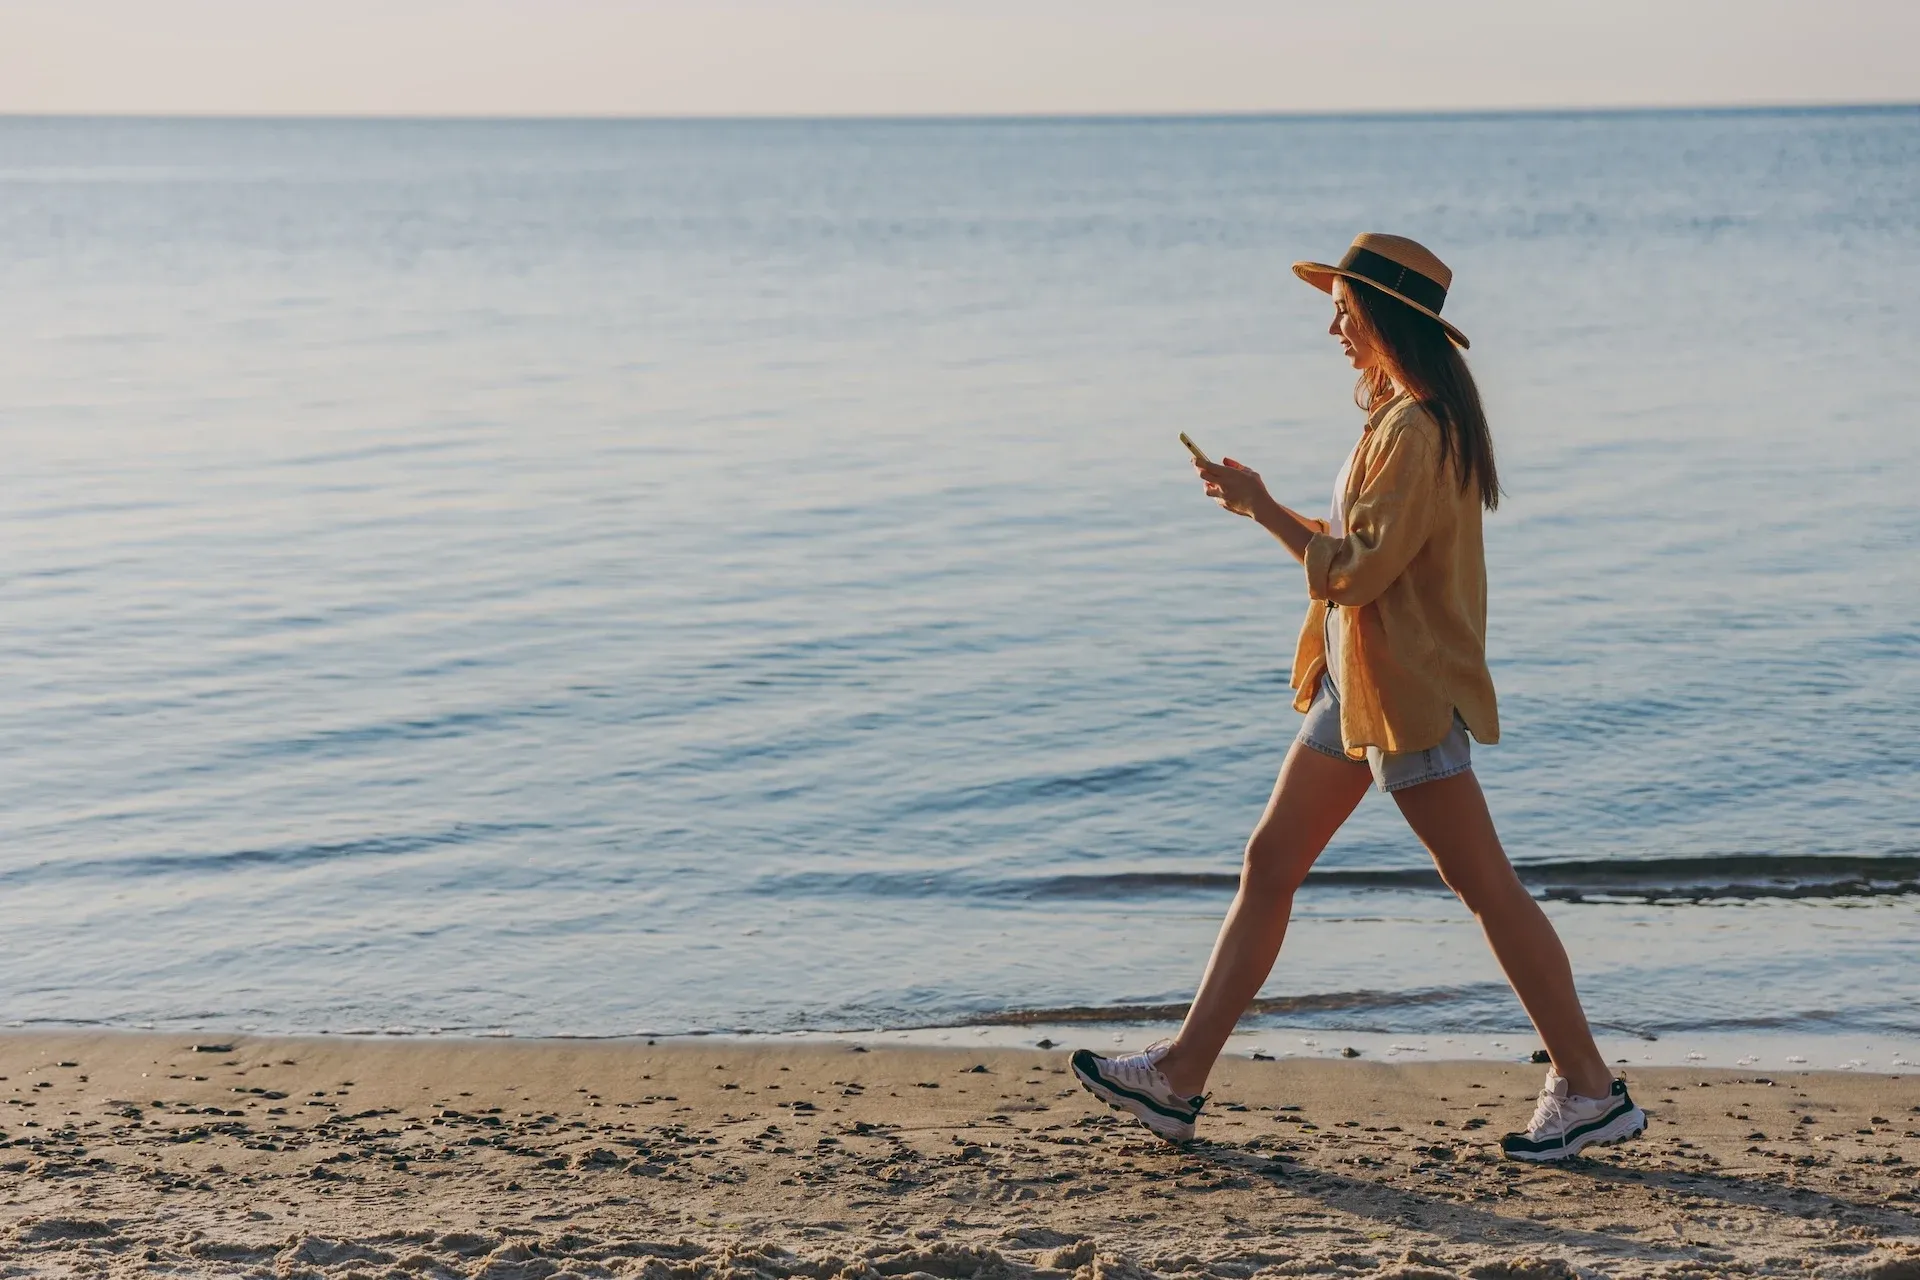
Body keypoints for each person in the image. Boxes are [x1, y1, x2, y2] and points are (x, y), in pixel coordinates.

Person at [1070, 234, 1646, 1162]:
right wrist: (1263, 508)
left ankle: (1589, 1088)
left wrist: (1264, 510)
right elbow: (1356, 556)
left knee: (1486, 889)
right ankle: (1179, 1079)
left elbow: (1360, 571)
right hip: (1358, 682)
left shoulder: (1415, 429)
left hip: (1406, 692)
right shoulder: (1394, 419)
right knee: (1272, 861)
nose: (1334, 326)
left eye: (1344, 308)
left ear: (1383, 317)